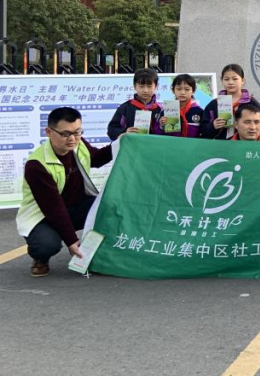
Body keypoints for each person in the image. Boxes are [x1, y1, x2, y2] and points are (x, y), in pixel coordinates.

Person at [17, 107, 116, 277]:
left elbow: (97, 158)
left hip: (76, 207)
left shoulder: (79, 143)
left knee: (109, 207)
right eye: (65, 134)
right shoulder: (36, 165)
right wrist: (72, 241)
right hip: (43, 216)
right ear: (49, 132)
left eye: (77, 132)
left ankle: (99, 254)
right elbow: (53, 208)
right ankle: (40, 258)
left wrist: (121, 142)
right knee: (46, 245)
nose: (72, 139)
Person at [201, 64, 260, 139]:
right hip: (220, 144)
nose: (230, 82)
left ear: (243, 81)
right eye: (226, 79)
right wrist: (213, 126)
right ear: (222, 81)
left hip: (244, 144)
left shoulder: (251, 102)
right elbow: (202, 129)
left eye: (235, 79)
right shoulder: (214, 104)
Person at [107, 67, 162, 139]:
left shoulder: (161, 109)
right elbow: (111, 130)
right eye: (141, 86)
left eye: (149, 86)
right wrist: (125, 132)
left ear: (156, 86)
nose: (145, 90)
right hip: (131, 145)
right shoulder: (125, 108)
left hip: (153, 145)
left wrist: (162, 126)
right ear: (134, 86)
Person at [153, 73, 203, 138]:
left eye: (187, 89)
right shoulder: (166, 110)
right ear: (173, 90)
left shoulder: (199, 111)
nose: (182, 92)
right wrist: (161, 126)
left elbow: (204, 133)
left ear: (193, 91)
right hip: (171, 144)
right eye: (179, 89)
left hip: (192, 144)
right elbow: (156, 134)